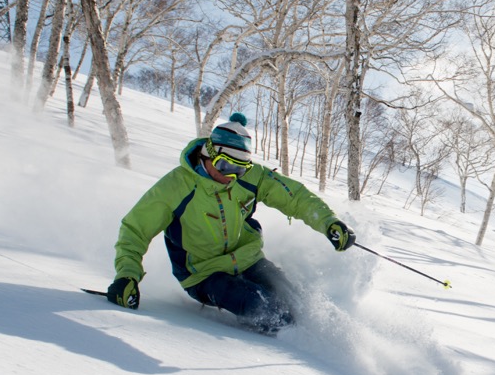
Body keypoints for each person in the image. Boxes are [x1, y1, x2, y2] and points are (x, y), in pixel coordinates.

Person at [106, 112, 355, 335]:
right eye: (225, 166)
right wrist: (126, 275)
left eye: (240, 170)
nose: (230, 177)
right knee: (265, 308)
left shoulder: (248, 177)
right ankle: (304, 352)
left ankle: (339, 350)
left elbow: (295, 197)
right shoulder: (176, 187)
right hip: (204, 274)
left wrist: (328, 222)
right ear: (209, 154)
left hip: (249, 259)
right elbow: (135, 229)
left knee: (298, 301)